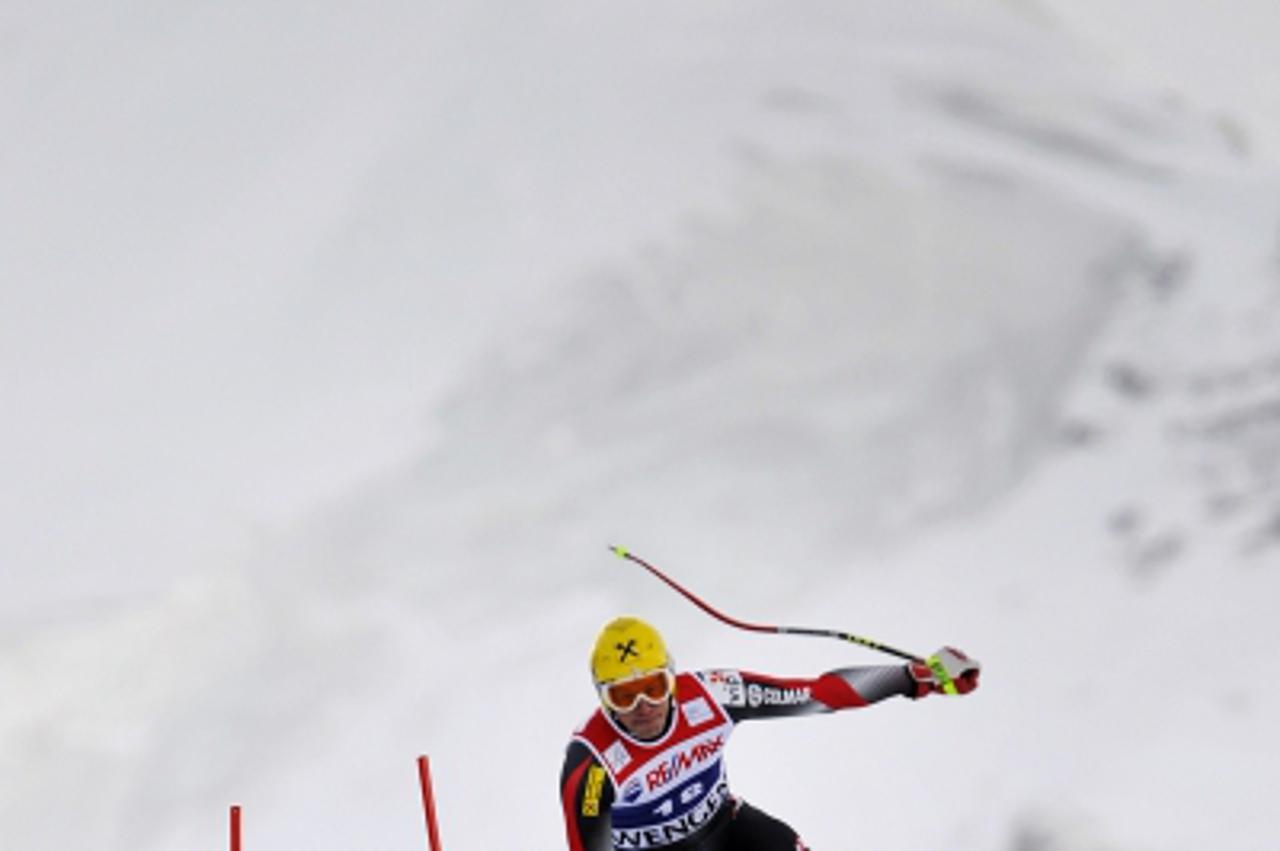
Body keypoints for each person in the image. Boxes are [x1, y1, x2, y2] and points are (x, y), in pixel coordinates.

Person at [559, 616, 980, 850]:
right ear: (601, 698)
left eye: (653, 688)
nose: (643, 707)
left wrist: (913, 678)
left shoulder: (714, 694)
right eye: (623, 696)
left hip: (727, 829)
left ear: (672, 677)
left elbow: (819, 694)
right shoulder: (592, 766)